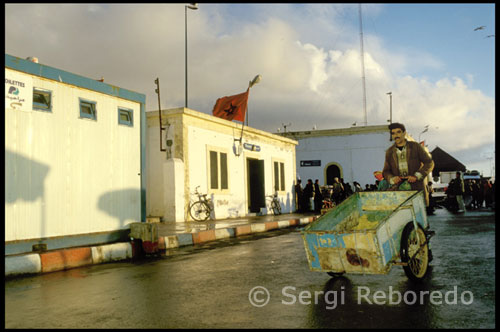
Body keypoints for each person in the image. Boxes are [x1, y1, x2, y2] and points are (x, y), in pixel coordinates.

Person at [382, 123, 434, 207]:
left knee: (418, 216)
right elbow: (386, 171)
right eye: (393, 133)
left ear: (404, 133)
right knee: (403, 217)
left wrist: (417, 175)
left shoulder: (415, 146)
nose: (396, 135)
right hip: (399, 192)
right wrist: (392, 178)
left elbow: (429, 163)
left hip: (416, 189)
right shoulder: (389, 152)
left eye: (398, 132)